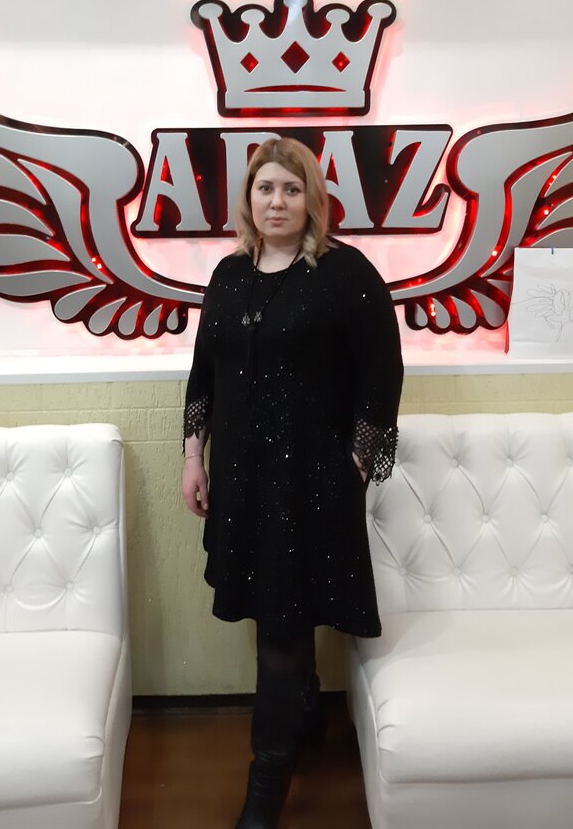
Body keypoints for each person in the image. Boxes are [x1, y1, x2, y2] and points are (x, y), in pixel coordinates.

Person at [181, 136, 403, 829]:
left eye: (290, 188)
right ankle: (305, 711)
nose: (276, 201)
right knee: (275, 608)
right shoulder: (228, 275)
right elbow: (203, 374)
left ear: (312, 199)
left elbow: (383, 375)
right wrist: (192, 456)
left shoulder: (344, 273)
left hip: (313, 485)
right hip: (243, 481)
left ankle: (265, 788)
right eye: (264, 188)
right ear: (248, 199)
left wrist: (359, 463)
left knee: (281, 623)